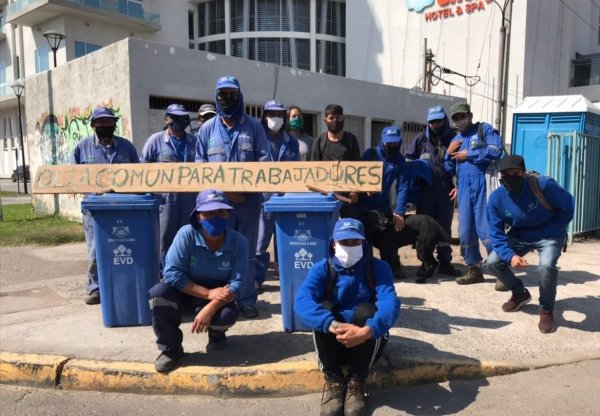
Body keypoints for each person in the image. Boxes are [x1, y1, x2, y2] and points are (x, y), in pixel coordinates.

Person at [294, 218, 400, 416]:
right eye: (344, 242)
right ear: (334, 243)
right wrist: (332, 325)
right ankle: (333, 380)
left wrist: (367, 330)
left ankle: (357, 382)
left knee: (368, 311)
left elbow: (390, 303)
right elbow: (302, 301)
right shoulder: (322, 269)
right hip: (334, 341)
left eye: (355, 242)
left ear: (363, 243)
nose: (350, 247)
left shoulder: (378, 267)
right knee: (323, 308)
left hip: (367, 343)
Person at [148, 189, 248, 373]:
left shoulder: (239, 242)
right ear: (198, 216)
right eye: (208, 213)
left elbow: (238, 284)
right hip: (186, 291)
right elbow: (171, 274)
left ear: (228, 214)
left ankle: (216, 332)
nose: (215, 217)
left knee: (227, 314)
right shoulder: (186, 235)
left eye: (221, 212)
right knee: (158, 295)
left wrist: (210, 306)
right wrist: (207, 293)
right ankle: (171, 349)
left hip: (219, 296)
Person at [195, 76, 270, 319]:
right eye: (222, 94)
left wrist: (243, 191)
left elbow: (264, 163)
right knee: (217, 250)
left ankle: (246, 299)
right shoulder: (207, 129)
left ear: (240, 96)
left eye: (232, 94)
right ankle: (219, 297)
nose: (227, 99)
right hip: (216, 205)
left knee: (246, 251)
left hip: (247, 203)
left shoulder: (254, 127)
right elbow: (200, 167)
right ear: (216, 97)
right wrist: (226, 193)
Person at [486, 155, 574, 333]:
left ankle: (546, 309)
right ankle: (520, 293)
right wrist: (510, 256)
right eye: (505, 174)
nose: (510, 178)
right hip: (519, 235)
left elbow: (568, 205)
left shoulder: (543, 185)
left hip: (549, 234)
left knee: (546, 266)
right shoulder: (496, 199)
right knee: (493, 262)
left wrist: (557, 229)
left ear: (524, 173)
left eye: (515, 173)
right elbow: (496, 234)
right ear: (500, 177)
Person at [71, 107, 139, 305]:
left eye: (109, 122)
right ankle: (95, 288)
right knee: (95, 250)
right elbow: (72, 176)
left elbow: (139, 175)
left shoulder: (127, 147)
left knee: (123, 247)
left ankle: (120, 284)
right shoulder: (81, 148)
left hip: (123, 207)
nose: (105, 126)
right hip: (94, 210)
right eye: (100, 123)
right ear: (93, 125)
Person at [444, 102, 503, 285]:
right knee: (465, 231)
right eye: (456, 118)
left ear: (470, 115)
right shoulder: (455, 140)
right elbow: (450, 168)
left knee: (486, 229)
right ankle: (474, 269)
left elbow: (496, 150)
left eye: (462, 116)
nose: (460, 120)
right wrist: (448, 153)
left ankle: (502, 270)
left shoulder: (483, 129)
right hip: (463, 189)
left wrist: (469, 154)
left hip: (483, 187)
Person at [405, 106, 462, 278]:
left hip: (446, 190)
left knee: (444, 227)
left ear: (444, 119)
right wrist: (416, 173)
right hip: (425, 192)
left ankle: (445, 262)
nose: (435, 124)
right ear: (428, 122)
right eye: (432, 122)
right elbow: (408, 159)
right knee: (425, 229)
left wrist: (458, 186)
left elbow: (462, 165)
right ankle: (426, 262)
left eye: (438, 121)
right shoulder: (421, 140)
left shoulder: (454, 139)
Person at [141, 104, 197, 275]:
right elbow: (144, 167)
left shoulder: (194, 141)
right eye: (175, 118)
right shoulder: (155, 140)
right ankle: (166, 274)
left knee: (189, 236)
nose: (179, 122)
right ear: (167, 120)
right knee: (165, 238)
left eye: (182, 118)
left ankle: (186, 272)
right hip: (166, 201)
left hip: (189, 199)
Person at [255, 100, 300, 290]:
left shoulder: (292, 142)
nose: (276, 118)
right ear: (265, 116)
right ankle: (256, 280)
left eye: (280, 115)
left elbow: (298, 171)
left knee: (287, 240)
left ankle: (286, 276)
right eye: (272, 114)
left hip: (286, 199)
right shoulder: (257, 139)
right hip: (262, 200)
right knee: (260, 241)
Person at [358, 126, 410, 280]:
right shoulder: (371, 154)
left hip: (383, 206)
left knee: (389, 239)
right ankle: (366, 269)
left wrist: (399, 212)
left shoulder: (400, 160)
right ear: (382, 141)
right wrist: (364, 187)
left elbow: (403, 186)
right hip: (364, 205)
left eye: (395, 143)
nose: (392, 146)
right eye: (388, 143)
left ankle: (391, 266)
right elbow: (357, 175)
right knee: (365, 240)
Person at [311, 104, 362, 216]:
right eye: (331, 118)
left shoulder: (351, 140)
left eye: (338, 118)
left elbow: (358, 168)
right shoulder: (319, 141)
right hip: (326, 199)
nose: (335, 121)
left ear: (343, 119)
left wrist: (354, 192)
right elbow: (314, 171)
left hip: (347, 200)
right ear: (325, 120)